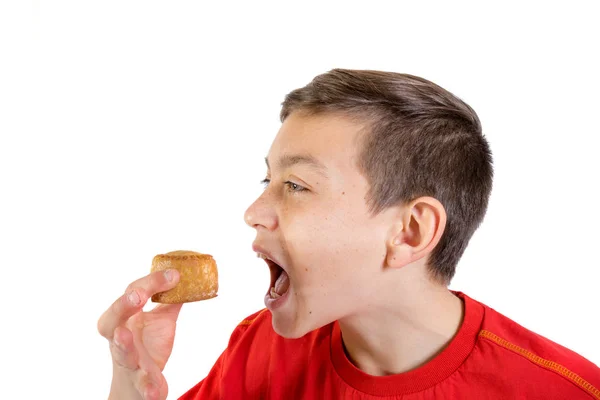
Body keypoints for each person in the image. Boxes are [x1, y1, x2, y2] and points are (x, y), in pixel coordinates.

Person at [98, 69, 600, 399]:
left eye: (296, 185)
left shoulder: (564, 390)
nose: (253, 212)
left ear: (409, 232)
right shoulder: (259, 352)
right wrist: (130, 384)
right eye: (266, 180)